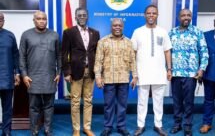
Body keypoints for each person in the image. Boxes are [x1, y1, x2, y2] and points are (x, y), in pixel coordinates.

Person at [131, 5, 172, 136]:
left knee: (159, 101)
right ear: (145, 15)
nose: (151, 15)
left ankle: (158, 125)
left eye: (154, 13)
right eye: (148, 13)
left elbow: (167, 51)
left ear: (157, 15)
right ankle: (140, 125)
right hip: (142, 72)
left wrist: (169, 68)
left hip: (159, 72)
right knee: (142, 101)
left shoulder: (163, 32)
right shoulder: (138, 32)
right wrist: (134, 73)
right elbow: (133, 53)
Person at [19, 11, 61, 136]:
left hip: (50, 77)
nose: (42, 21)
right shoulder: (26, 35)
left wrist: (59, 72)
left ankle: (48, 129)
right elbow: (22, 57)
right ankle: (34, 130)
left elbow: (59, 55)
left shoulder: (54, 35)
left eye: (44, 19)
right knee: (34, 107)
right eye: (39, 18)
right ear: (34, 20)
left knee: (49, 106)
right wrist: (24, 75)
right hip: (32, 77)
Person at [94, 18, 138, 136]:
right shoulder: (103, 41)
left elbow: (132, 61)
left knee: (122, 105)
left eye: (119, 25)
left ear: (122, 27)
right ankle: (108, 127)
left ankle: (121, 126)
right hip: (108, 79)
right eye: (115, 25)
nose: (117, 27)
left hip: (123, 78)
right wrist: (98, 76)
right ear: (111, 27)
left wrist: (134, 76)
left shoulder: (129, 42)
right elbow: (98, 60)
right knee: (108, 105)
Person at [169, 9, 209, 136]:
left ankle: (187, 126)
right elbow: (167, 53)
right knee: (176, 101)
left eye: (188, 15)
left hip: (191, 74)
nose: (186, 17)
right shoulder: (172, 33)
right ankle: (177, 124)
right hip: (175, 73)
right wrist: (168, 69)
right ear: (178, 17)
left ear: (191, 17)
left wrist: (202, 68)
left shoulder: (197, 32)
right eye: (183, 15)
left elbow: (204, 52)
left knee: (189, 101)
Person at [62, 7, 100, 136]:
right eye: (80, 15)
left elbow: (97, 53)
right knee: (75, 101)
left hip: (91, 71)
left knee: (88, 100)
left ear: (87, 17)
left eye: (84, 15)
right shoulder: (68, 32)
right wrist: (67, 72)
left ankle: (87, 127)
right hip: (75, 72)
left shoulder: (95, 33)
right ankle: (76, 129)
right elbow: (64, 54)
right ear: (75, 17)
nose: (82, 17)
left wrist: (98, 71)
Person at [199, 13, 215, 136]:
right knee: (208, 101)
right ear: (214, 22)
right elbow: (201, 54)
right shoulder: (205, 35)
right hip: (209, 75)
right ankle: (207, 123)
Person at [0, 12, 20, 136]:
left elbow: (15, 56)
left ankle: (6, 131)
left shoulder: (10, 35)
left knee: (7, 107)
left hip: (6, 77)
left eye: (2, 18)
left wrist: (17, 73)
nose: (0, 20)